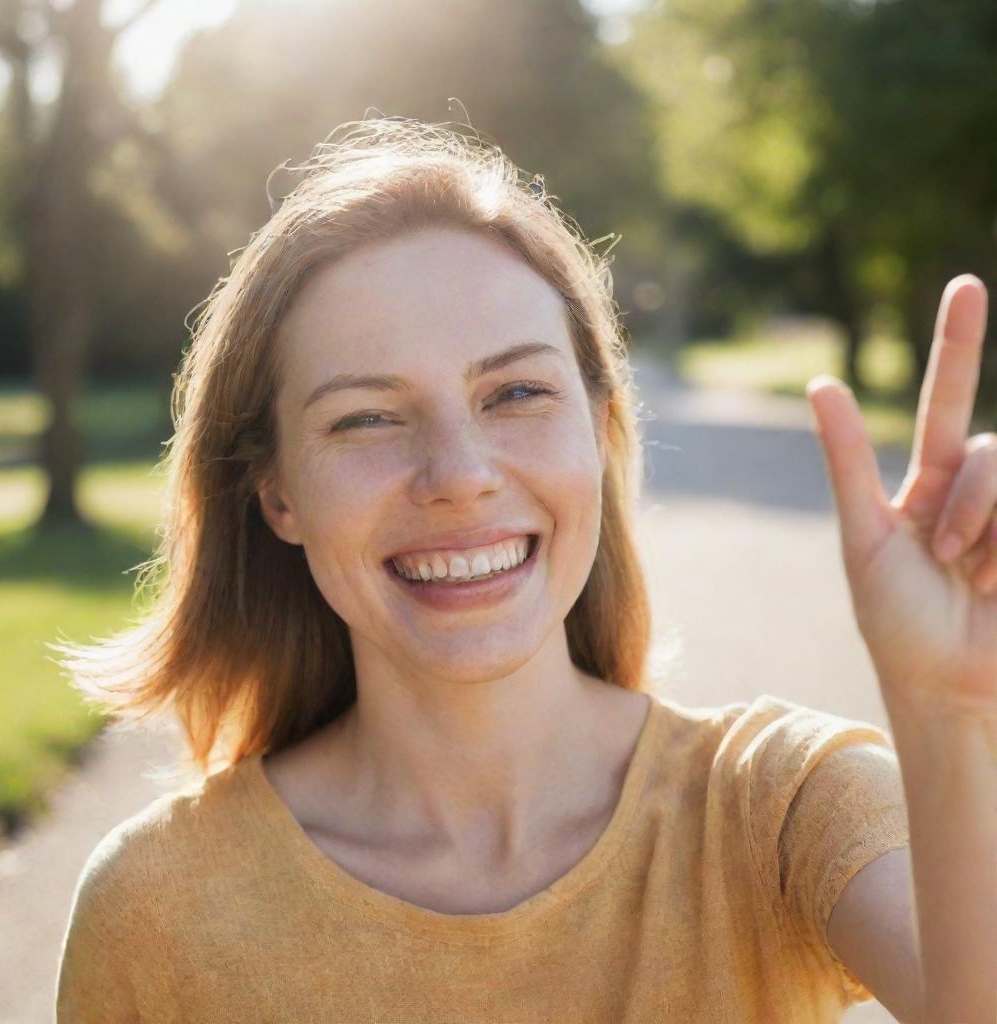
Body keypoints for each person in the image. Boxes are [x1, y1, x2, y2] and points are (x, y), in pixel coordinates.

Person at [53, 116, 996, 1023]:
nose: (460, 477)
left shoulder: (782, 808)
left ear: (601, 429)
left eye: (515, 394)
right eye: (367, 417)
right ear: (278, 494)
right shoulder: (156, 908)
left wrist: (948, 717)